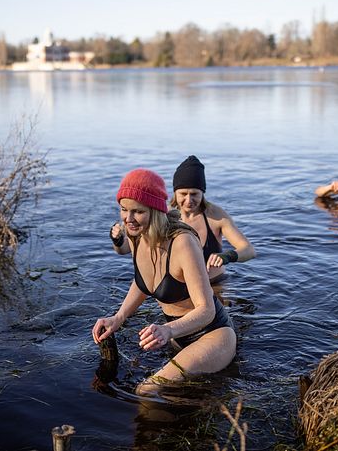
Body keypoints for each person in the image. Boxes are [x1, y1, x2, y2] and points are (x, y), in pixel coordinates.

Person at [93, 168, 237, 395]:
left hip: (213, 335)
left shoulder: (182, 242)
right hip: (178, 337)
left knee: (146, 390)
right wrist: (118, 317)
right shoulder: (136, 234)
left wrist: (167, 330)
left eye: (137, 211)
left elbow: (207, 310)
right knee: (177, 400)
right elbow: (143, 282)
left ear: (155, 210)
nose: (128, 219)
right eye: (123, 209)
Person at [168, 155, 255, 282]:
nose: (188, 200)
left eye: (194, 194)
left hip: (214, 283)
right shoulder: (165, 215)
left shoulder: (216, 216)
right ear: (175, 193)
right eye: (183, 194)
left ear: (202, 193)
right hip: (176, 286)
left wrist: (227, 256)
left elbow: (249, 250)